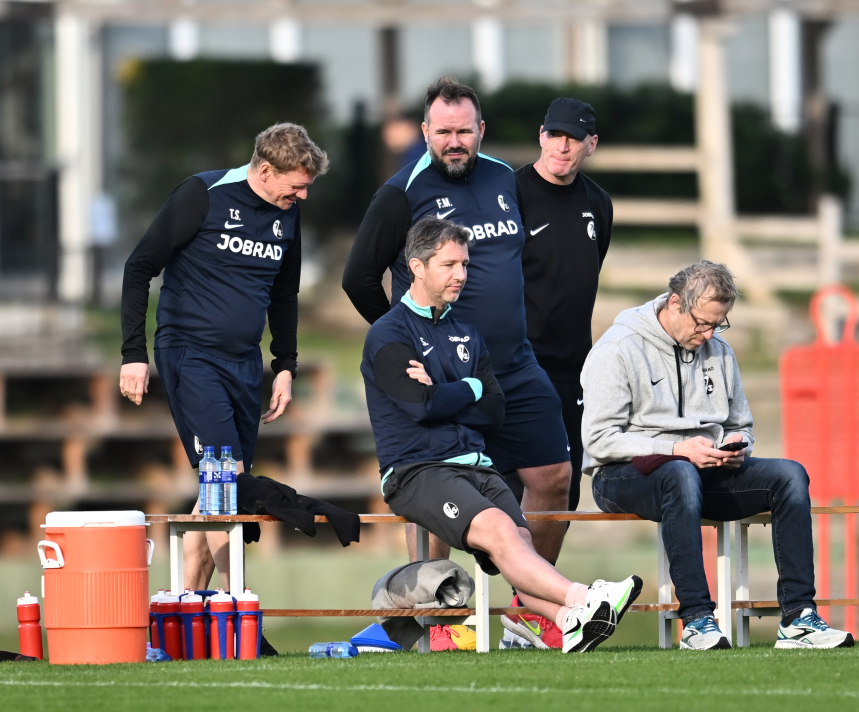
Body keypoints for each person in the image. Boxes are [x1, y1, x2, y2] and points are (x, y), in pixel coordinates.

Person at [360, 216, 641, 653]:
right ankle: (587, 599)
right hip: (418, 471)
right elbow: (420, 407)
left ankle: (568, 623)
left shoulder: (468, 333)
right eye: (449, 264)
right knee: (502, 533)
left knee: (521, 546)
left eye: (465, 265)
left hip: (476, 465)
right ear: (417, 266)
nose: (461, 275)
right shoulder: (389, 334)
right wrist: (465, 389)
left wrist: (451, 389)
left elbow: (494, 409)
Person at [343, 76, 571, 569]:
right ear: (425, 131)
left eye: (464, 131)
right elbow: (358, 278)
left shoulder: (504, 179)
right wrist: (407, 343)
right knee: (436, 485)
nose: (453, 142)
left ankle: (529, 613)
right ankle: (436, 617)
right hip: (441, 374)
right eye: (443, 131)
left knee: (553, 474)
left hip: (513, 364)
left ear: (481, 130)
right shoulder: (401, 193)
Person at [581, 261, 854, 650]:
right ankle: (696, 620)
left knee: (791, 475)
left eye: (718, 324)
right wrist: (677, 449)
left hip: (701, 471)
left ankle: (798, 620)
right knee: (680, 474)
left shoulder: (719, 351)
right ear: (675, 302)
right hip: (622, 477)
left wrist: (735, 447)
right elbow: (600, 440)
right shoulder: (617, 348)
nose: (708, 333)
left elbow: (740, 423)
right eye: (701, 323)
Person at [119, 123, 328, 608]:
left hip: (244, 365)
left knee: (218, 491)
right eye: (295, 185)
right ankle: (239, 605)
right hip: (190, 355)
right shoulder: (203, 194)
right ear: (264, 169)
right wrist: (133, 355)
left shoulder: (287, 216)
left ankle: (182, 609)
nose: (301, 196)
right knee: (223, 480)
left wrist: (285, 365)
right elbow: (139, 266)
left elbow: (284, 293)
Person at [499, 97, 612, 650]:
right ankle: (441, 615)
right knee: (498, 487)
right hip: (515, 365)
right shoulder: (511, 193)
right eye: (555, 134)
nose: (563, 146)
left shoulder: (599, 204)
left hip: (573, 372)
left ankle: (532, 613)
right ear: (541, 135)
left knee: (561, 493)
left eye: (576, 137)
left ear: (591, 144)